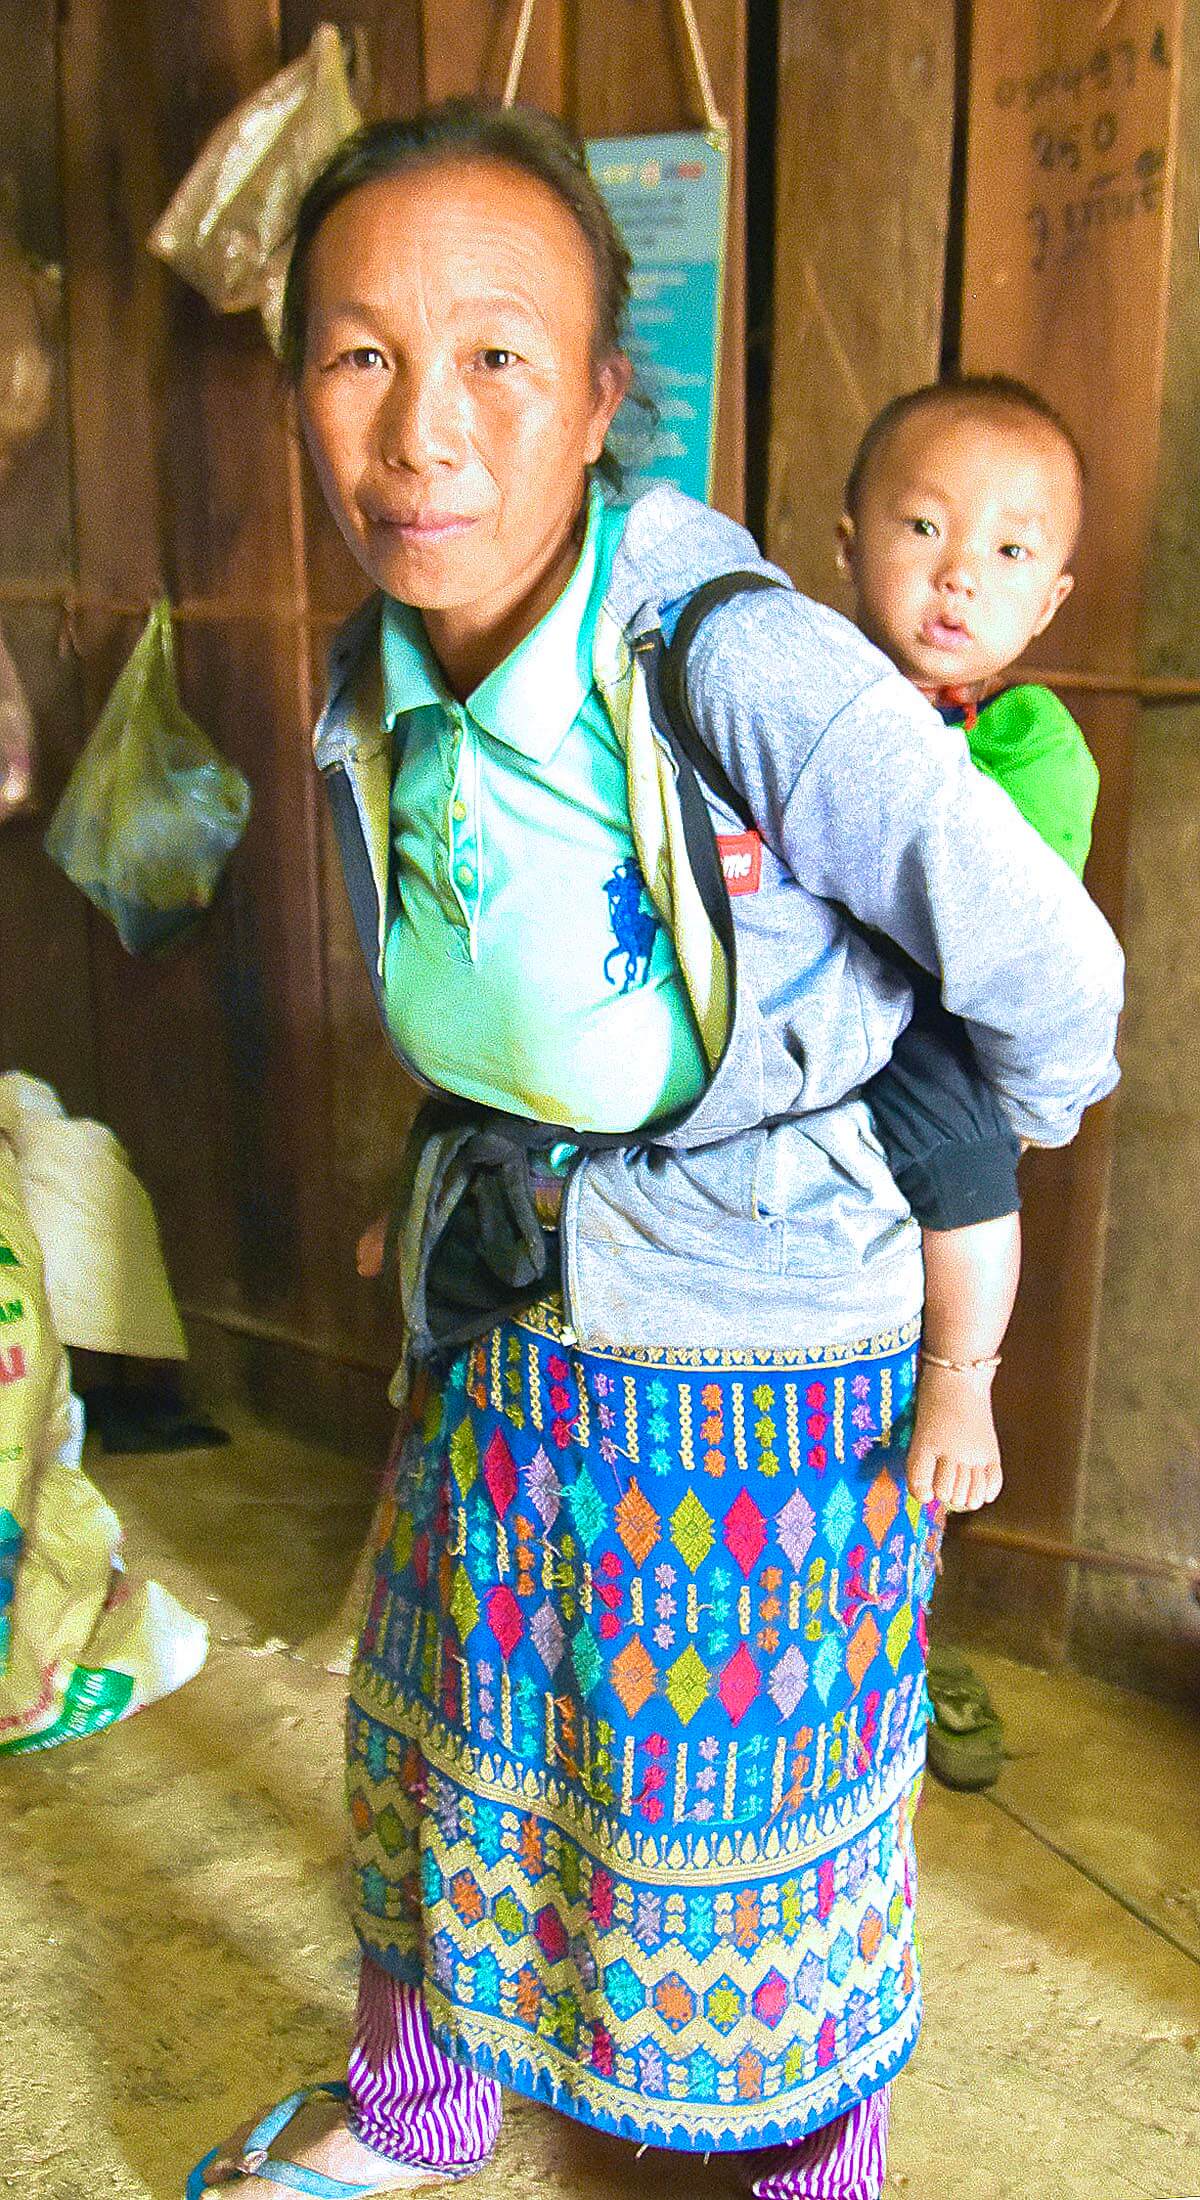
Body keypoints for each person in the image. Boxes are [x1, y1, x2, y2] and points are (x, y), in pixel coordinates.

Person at [188, 101, 1122, 2200]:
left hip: (763, 1370)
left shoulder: (745, 657)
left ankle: (804, 2177)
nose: (421, 429)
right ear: (301, 394)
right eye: (357, 355)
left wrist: (905, 1165)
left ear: (611, 393)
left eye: (498, 355)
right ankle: (422, 2106)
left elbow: (1055, 981)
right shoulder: (389, 666)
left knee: (745, 1824)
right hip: (512, 1306)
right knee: (442, 1744)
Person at [837, 375, 1099, 1530]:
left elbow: (1005, 923)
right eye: (925, 527)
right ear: (850, 544)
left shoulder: (1026, 741)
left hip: (913, 1015)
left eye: (1007, 549)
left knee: (966, 1164)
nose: (959, 573)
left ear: (1047, 603)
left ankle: (960, 1379)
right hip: (769, 983)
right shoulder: (792, 685)